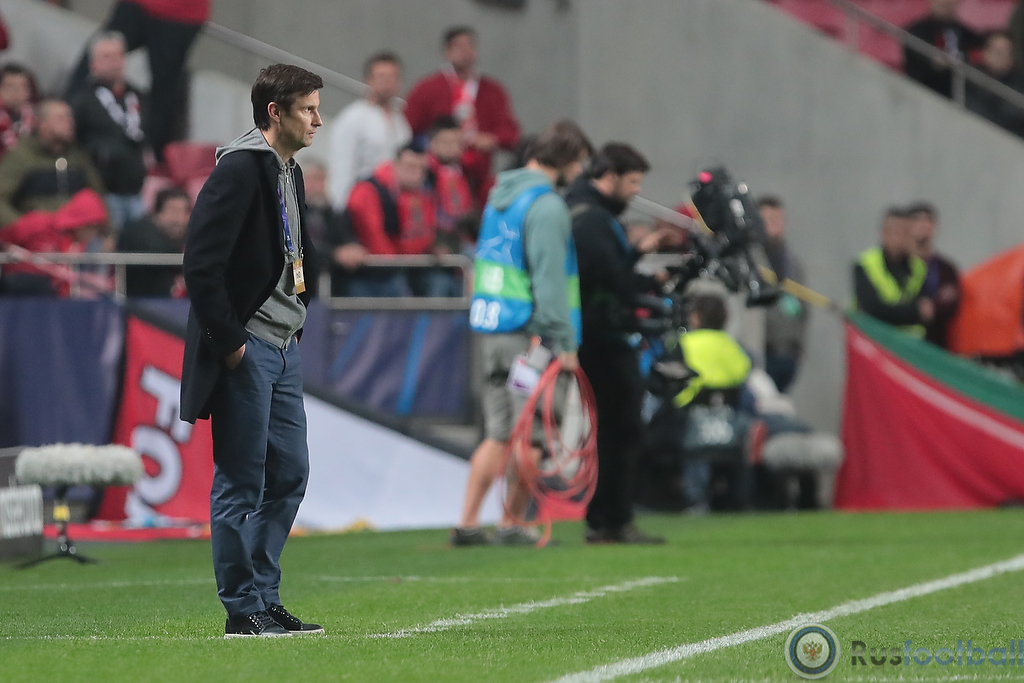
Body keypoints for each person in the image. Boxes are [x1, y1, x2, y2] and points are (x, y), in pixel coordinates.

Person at [179, 63, 323, 638]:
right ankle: (242, 609)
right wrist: (232, 344)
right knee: (241, 480)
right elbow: (200, 264)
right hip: (251, 346)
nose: (317, 120)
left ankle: (265, 596)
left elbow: (291, 254)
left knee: (289, 474)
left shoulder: (290, 170)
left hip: (284, 344)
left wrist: (298, 313)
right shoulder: (239, 170)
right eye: (308, 109)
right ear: (275, 113)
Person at [451, 120, 592, 547]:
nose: (580, 173)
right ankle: (511, 523)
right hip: (530, 337)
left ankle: (468, 523)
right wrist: (564, 341)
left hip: (495, 329)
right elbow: (550, 280)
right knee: (530, 430)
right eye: (579, 163)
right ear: (565, 160)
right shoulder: (547, 206)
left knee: (499, 431)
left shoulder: (500, 197)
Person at [566, 142, 674, 545]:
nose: (635, 192)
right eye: (631, 182)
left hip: (594, 334)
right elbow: (610, 280)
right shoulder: (593, 220)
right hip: (602, 338)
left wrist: (636, 260)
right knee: (622, 429)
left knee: (613, 429)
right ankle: (612, 518)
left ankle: (606, 518)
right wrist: (644, 277)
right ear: (608, 177)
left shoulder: (585, 213)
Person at [66, 0, 209, 161]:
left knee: (165, 93)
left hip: (180, 14)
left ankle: (153, 159)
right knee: (93, 60)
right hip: (138, 5)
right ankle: (59, 124)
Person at [405, 26, 521, 209]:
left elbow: (511, 133)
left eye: (469, 46)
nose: (465, 52)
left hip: (478, 177)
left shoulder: (492, 91)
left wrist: (492, 139)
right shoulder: (428, 88)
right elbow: (408, 129)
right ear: (447, 51)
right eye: (458, 47)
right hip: (436, 180)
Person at [671, 294, 753, 513]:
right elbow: (743, 371)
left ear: (696, 318)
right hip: (729, 415)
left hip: (692, 413)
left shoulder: (686, 342)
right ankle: (737, 498)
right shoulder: (730, 344)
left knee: (692, 451)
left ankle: (695, 499)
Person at [69, 32, 147, 233]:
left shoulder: (137, 95)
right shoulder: (81, 98)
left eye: (117, 56)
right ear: (93, 63)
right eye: (106, 57)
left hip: (135, 191)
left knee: (136, 247)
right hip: (100, 192)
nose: (113, 62)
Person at [345, 142, 447, 297]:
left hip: (405, 266)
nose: (415, 173)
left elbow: (424, 236)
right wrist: (402, 262)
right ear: (395, 165)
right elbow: (373, 238)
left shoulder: (421, 194)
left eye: (421, 169)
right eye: (410, 166)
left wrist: (431, 250)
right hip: (371, 270)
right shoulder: (368, 190)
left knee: (441, 283)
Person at [0, 99, 105, 227]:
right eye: (61, 118)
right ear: (42, 123)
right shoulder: (22, 156)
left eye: (70, 117)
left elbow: (97, 196)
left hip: (76, 231)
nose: (70, 122)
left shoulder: (78, 157)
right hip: (38, 232)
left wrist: (105, 230)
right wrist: (23, 226)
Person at [327, 51, 412, 209]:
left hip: (396, 205)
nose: (387, 83)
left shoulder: (401, 122)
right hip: (363, 204)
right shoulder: (351, 119)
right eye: (381, 77)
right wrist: (342, 209)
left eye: (392, 77)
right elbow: (341, 168)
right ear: (368, 80)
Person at [852, 207, 934, 337]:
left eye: (903, 232)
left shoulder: (920, 268)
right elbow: (872, 309)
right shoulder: (866, 264)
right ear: (883, 232)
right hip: (873, 341)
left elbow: (928, 311)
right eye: (893, 231)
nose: (898, 238)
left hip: (909, 344)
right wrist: (914, 312)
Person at [757, 196, 809, 393]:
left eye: (777, 219)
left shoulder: (792, 264)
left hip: (787, 353)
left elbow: (804, 307)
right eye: (767, 220)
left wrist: (799, 348)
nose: (773, 226)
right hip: (762, 352)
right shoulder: (751, 261)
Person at [300, 159, 364, 296]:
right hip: (301, 280)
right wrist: (334, 253)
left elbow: (344, 234)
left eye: (322, 180)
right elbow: (300, 244)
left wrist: (353, 247)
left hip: (334, 279)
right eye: (313, 179)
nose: (318, 186)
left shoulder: (328, 210)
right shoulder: (291, 212)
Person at [117, 185, 189, 297]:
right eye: (173, 211)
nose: (178, 219)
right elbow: (153, 248)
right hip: (141, 301)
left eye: (184, 211)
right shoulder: (137, 232)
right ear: (157, 213)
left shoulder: (192, 235)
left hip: (180, 305)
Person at [904, 0, 982, 99]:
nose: (947, 3)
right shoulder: (917, 31)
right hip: (925, 91)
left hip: (963, 94)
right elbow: (919, 61)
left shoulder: (969, 35)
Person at [908, 202, 960, 348]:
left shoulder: (945, 269)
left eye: (928, 221)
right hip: (901, 343)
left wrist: (933, 306)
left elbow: (952, 301)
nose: (923, 225)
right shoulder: (899, 265)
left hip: (935, 344)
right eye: (917, 220)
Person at [426, 115, 475, 256]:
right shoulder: (425, 174)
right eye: (445, 142)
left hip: (458, 236)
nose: (451, 148)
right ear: (432, 143)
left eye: (456, 143)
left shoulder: (463, 173)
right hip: (434, 242)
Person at [966, 32, 1024, 137]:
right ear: (984, 52)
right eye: (996, 52)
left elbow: (1015, 115)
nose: (998, 58)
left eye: (1004, 53)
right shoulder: (969, 77)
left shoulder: (1019, 83)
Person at [0, 64, 36, 161]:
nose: (16, 92)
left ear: (29, 91)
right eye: (10, 87)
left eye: (22, 87)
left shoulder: (37, 120)